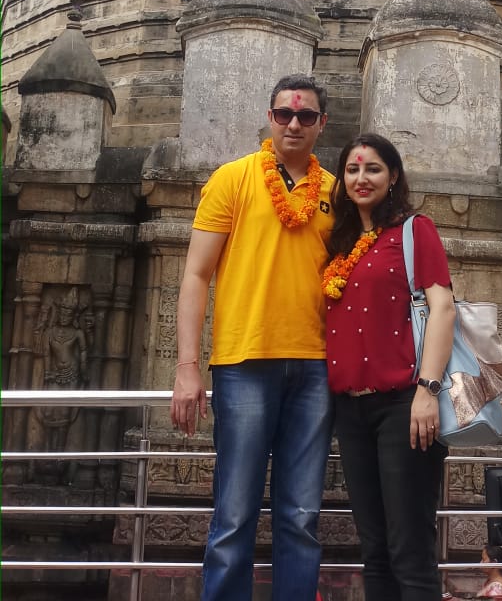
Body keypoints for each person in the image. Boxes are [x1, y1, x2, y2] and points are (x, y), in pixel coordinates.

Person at [171, 74, 335, 601]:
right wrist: (187, 367)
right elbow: (196, 274)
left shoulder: (335, 191)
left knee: (302, 517)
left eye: (305, 116)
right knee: (234, 514)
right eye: (284, 114)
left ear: (321, 123)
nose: (294, 124)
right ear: (270, 118)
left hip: (316, 368)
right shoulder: (233, 178)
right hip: (244, 364)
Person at [323, 133, 456, 601]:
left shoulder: (414, 231)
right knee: (374, 550)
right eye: (353, 169)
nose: (362, 178)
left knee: (409, 549)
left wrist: (428, 390)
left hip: (404, 406)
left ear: (393, 175)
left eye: (373, 168)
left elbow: (443, 309)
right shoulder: (339, 243)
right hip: (350, 411)